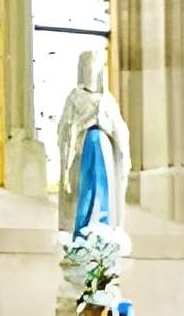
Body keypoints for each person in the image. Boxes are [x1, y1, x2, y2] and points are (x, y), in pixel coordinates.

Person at [51, 48, 128, 242]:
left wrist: (107, 125)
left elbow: (120, 129)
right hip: (83, 149)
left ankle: (102, 225)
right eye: (87, 68)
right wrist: (80, 125)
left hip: (104, 148)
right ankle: (82, 229)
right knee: (85, 188)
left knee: (102, 186)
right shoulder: (75, 98)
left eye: (95, 68)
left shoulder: (108, 100)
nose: (91, 72)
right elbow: (65, 129)